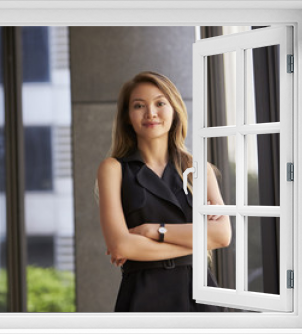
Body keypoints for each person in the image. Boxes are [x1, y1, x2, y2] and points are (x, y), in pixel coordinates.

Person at [96, 71, 232, 312]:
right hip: (142, 297)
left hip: (199, 297)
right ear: (127, 116)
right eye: (139, 105)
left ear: (175, 110)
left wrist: (153, 231)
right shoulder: (113, 169)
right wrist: (198, 242)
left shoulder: (199, 169)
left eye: (160, 103)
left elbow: (222, 235)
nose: (150, 113)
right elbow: (121, 247)